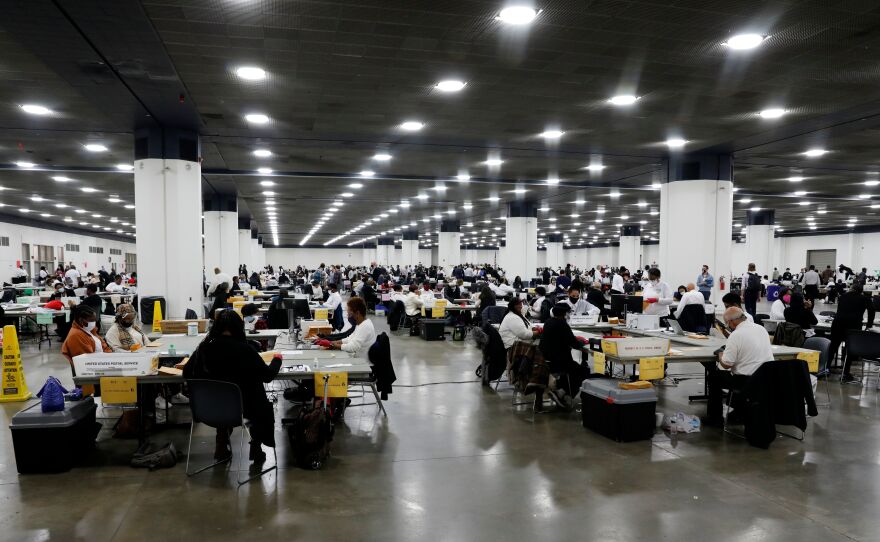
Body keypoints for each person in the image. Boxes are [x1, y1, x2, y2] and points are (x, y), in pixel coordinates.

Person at [184, 310, 281, 462]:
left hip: (208, 408)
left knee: (222, 395)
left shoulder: (204, 348)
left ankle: (221, 444)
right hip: (244, 408)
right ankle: (256, 446)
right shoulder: (246, 350)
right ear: (239, 327)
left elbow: (187, 372)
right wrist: (277, 360)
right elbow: (267, 376)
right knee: (257, 396)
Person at [706, 307, 774, 425]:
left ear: (731, 322)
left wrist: (721, 355)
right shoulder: (761, 329)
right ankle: (738, 412)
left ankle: (715, 419)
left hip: (745, 381)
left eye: (727, 323)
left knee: (714, 377)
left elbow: (727, 364)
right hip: (766, 377)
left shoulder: (736, 334)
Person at [538, 303, 588, 409]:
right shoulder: (562, 324)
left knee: (574, 368)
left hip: (546, 360)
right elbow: (573, 343)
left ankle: (560, 389)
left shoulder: (548, 322)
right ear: (564, 314)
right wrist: (583, 343)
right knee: (583, 371)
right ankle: (563, 393)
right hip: (559, 361)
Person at [834, 285, 876, 383]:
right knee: (850, 348)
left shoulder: (843, 296)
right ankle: (845, 372)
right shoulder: (864, 298)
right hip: (853, 325)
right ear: (861, 291)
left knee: (834, 345)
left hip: (838, 323)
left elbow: (839, 309)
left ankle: (825, 369)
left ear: (852, 289)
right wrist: (869, 324)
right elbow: (872, 310)